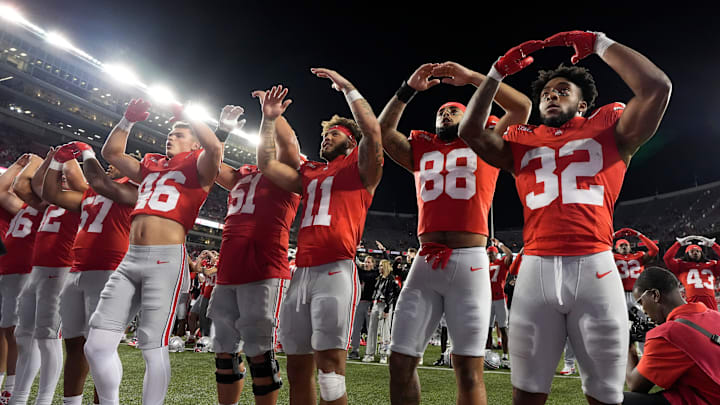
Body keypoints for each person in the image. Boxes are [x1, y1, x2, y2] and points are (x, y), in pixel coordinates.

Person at [459, 30, 671, 405]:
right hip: (535, 270)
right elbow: (470, 131)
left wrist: (599, 43)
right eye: (545, 93)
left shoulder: (611, 127)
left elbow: (657, 87)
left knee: (606, 395)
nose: (551, 96)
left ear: (584, 104)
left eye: (561, 91)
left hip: (595, 268)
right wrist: (494, 74)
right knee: (526, 394)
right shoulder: (522, 138)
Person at [378, 61, 531, 405]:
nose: (446, 114)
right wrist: (408, 89)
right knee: (400, 360)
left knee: (467, 367)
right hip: (425, 261)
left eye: (454, 110)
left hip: (470, 262)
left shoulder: (484, 142)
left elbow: (521, 107)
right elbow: (383, 132)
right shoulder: (422, 148)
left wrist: (475, 79)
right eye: (442, 111)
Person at [83, 98, 223, 405]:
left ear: (195, 143)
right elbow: (111, 153)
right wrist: (127, 120)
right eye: (170, 132)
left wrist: (192, 115)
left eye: (179, 134)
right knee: (96, 344)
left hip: (165, 259)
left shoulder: (200, 166)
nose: (170, 136)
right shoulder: (150, 165)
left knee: (152, 344)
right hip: (130, 258)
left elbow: (215, 150)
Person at [257, 68, 383, 405]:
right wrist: (269, 119)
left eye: (335, 134)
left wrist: (347, 87)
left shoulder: (361, 167)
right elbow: (267, 165)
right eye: (325, 134)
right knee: (298, 370)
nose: (326, 137)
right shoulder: (311, 171)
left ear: (351, 142)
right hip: (301, 273)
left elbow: (373, 130)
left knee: (329, 373)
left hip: (336, 270)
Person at [208, 99, 301, 405]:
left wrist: (270, 117)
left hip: (264, 266)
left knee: (259, 349)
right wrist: (222, 132)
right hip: (229, 268)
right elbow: (209, 165)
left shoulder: (287, 173)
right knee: (223, 346)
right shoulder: (242, 174)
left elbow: (289, 144)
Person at [41, 141, 137, 405]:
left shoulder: (133, 187)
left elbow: (100, 181)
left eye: (117, 162)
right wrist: (57, 162)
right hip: (77, 270)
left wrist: (86, 152)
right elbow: (51, 193)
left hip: (111, 270)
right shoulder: (90, 193)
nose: (110, 165)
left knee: (100, 349)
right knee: (74, 346)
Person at [10, 148, 84, 405]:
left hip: (61, 270)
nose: (61, 179)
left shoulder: (81, 200)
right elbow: (33, 184)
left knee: (48, 336)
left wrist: (67, 161)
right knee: (23, 334)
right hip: (36, 271)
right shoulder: (48, 203)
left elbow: (80, 183)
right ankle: (18, 397)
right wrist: (52, 161)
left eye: (65, 176)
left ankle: (44, 399)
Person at [625, 266, 720, 405]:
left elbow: (634, 384)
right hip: (708, 393)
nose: (643, 310)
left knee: (611, 400)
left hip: (705, 400)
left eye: (641, 302)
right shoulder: (714, 315)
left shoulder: (666, 334)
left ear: (655, 295)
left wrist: (628, 346)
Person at [0, 154, 36, 404]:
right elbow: (1, 190)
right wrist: (20, 164)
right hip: (7, 270)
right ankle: (5, 382)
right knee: (4, 329)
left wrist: (36, 164)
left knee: (15, 332)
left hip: (27, 272)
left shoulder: (51, 208)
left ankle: (12, 387)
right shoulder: (22, 208)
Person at [663, 235, 720, 311]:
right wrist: (678, 244)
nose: (695, 253)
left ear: (701, 253)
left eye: (697, 251)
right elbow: (667, 258)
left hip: (710, 300)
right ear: (687, 253)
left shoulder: (712, 264)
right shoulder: (681, 265)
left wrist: (714, 245)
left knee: (714, 321)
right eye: (692, 251)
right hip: (692, 300)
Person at [364, 259, 400, 364]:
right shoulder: (379, 279)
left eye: (381, 266)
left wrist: (388, 308)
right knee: (372, 329)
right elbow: (375, 292)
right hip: (376, 303)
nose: (379, 267)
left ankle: (383, 354)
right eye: (379, 265)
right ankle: (369, 353)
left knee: (385, 331)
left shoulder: (391, 279)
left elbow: (392, 294)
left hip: (385, 305)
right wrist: (371, 305)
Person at [614, 228, 659, 307]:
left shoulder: (639, 255)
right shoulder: (612, 257)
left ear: (630, 247)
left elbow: (654, 250)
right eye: (621, 245)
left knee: (641, 317)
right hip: (619, 293)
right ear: (616, 248)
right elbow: (598, 248)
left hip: (638, 292)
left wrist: (638, 235)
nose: (624, 247)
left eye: (626, 245)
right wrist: (614, 235)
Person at [486, 239, 514, 367]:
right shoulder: (485, 265)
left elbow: (509, 255)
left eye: (491, 253)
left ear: (496, 254)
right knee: (488, 329)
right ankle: (488, 354)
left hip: (499, 299)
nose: (489, 256)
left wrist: (500, 244)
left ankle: (505, 357)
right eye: (488, 254)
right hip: (488, 299)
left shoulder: (502, 263)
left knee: (503, 327)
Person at [349, 255, 377, 360]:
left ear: (373, 264)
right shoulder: (360, 272)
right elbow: (353, 261)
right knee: (356, 328)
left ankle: (369, 352)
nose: (367, 264)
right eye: (365, 262)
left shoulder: (375, 274)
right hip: (359, 302)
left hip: (371, 304)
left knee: (370, 329)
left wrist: (384, 251)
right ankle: (354, 350)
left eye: (369, 262)